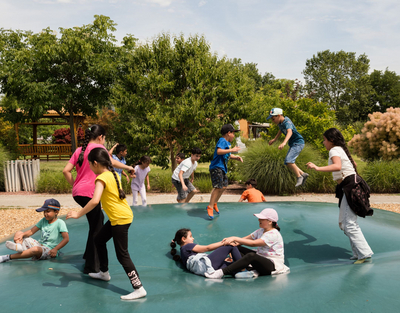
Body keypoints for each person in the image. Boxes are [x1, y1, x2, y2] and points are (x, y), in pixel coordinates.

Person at [67, 148, 146, 300]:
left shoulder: (101, 178)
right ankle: (104, 272)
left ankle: (139, 288)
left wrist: (78, 214)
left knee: (122, 255)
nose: (89, 167)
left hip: (120, 219)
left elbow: (95, 200)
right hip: (121, 216)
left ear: (95, 163)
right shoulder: (113, 174)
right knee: (98, 239)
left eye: (89, 164)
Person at [63, 124, 134, 274]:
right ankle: (92, 266)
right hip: (90, 193)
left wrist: (75, 184)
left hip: (78, 192)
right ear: (100, 137)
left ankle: (89, 256)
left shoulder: (79, 150)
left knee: (96, 223)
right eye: (104, 138)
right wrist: (128, 168)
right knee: (97, 228)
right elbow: (112, 163)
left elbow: (66, 171)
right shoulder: (99, 151)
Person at [306, 128, 373, 264]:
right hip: (347, 187)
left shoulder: (334, 150)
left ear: (331, 140)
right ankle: (358, 252)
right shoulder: (340, 149)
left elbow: (337, 166)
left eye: (324, 140)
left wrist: (317, 168)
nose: (323, 142)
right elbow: (352, 164)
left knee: (349, 223)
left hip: (350, 186)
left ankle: (364, 253)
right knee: (344, 222)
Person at [205, 208, 290, 279]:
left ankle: (221, 273)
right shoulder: (260, 231)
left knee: (251, 256)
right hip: (261, 258)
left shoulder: (273, 234)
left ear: (270, 221)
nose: (259, 220)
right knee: (237, 247)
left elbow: (253, 243)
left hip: (271, 265)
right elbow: (245, 239)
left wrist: (235, 238)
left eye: (262, 219)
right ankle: (243, 270)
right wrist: (233, 242)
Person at [1, 199, 69, 263]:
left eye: (48, 211)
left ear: (56, 212)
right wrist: (21, 235)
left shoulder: (60, 222)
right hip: (39, 244)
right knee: (18, 233)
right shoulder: (43, 220)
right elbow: (31, 231)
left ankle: (7, 257)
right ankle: (19, 247)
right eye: (44, 211)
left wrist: (56, 249)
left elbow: (66, 238)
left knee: (35, 249)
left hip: (49, 250)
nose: (45, 214)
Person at [170, 228, 242, 277]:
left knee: (231, 266)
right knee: (231, 246)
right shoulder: (187, 246)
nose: (193, 238)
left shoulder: (183, 255)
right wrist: (224, 242)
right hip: (207, 265)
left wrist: (222, 260)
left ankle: (238, 273)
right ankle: (242, 268)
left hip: (206, 270)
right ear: (183, 239)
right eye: (191, 236)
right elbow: (207, 248)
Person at [207, 124, 243, 219]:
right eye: (233, 133)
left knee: (224, 186)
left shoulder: (228, 143)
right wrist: (232, 150)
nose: (234, 136)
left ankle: (215, 202)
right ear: (228, 133)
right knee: (218, 187)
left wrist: (236, 157)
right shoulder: (222, 140)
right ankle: (210, 206)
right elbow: (219, 151)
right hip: (216, 167)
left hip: (222, 168)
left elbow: (227, 155)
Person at [268, 108, 309, 187]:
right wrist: (274, 139)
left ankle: (299, 177)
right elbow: (280, 130)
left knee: (289, 160)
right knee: (287, 162)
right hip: (293, 144)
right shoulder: (280, 123)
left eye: (273, 119)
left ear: (279, 116)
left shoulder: (287, 121)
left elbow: (289, 132)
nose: (272, 121)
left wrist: (283, 143)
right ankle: (303, 174)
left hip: (298, 143)